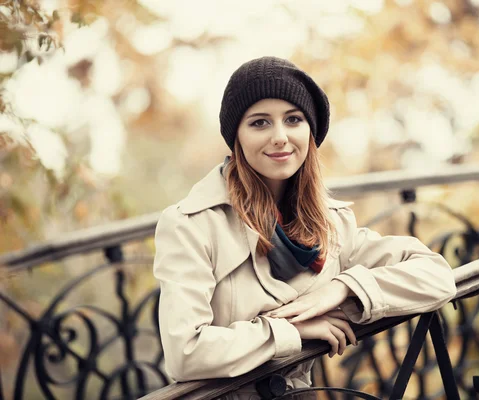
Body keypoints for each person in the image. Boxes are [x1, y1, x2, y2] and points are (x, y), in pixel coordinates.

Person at [152, 56, 457, 399]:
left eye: (293, 120)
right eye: (260, 123)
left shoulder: (331, 224)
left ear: (310, 131)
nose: (280, 137)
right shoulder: (191, 225)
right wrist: (290, 331)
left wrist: (344, 287)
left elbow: (437, 277)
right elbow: (185, 353)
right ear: (235, 136)